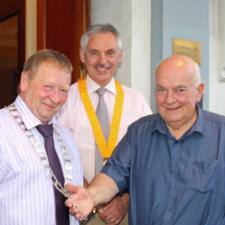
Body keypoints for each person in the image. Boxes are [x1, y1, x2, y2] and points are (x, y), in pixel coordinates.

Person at [65, 54, 225, 225]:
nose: (169, 99)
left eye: (180, 90)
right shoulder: (139, 133)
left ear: (199, 91)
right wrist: (91, 196)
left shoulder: (221, 135)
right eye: (162, 90)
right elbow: (112, 175)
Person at [58, 23, 152, 225]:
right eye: (94, 53)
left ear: (120, 56)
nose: (103, 61)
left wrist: (125, 200)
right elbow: (55, 156)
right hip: (76, 210)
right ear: (82, 56)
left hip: (126, 211)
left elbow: (149, 158)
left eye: (110, 52)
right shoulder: (63, 100)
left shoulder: (137, 101)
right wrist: (91, 197)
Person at [0, 49, 83, 225]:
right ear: (24, 81)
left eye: (63, 90)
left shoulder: (65, 136)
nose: (55, 98)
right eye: (48, 87)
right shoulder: (2, 130)